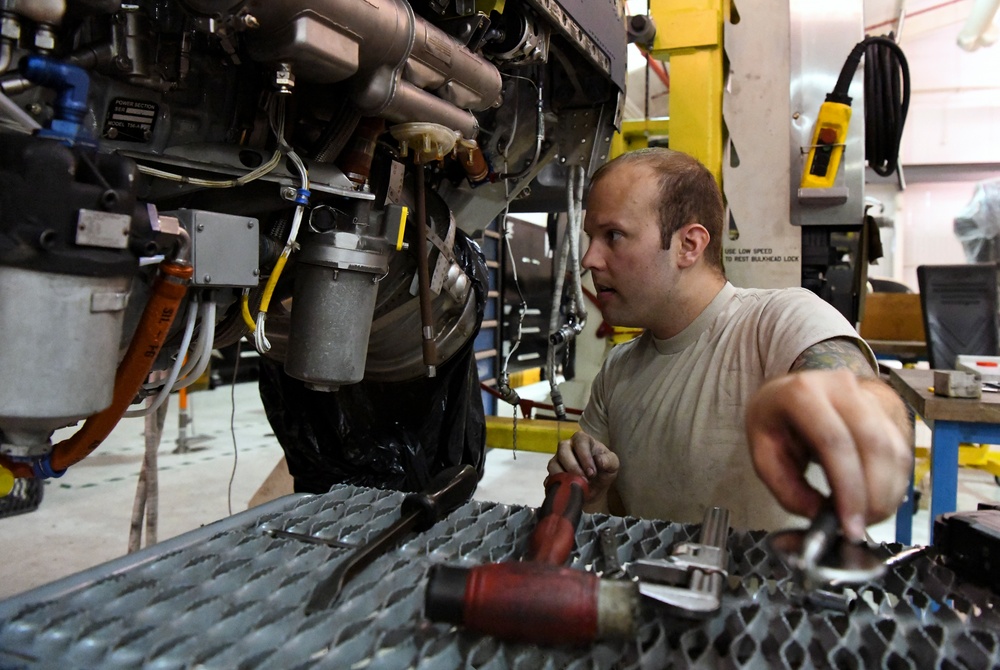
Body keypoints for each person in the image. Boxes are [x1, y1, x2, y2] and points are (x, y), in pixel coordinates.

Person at [547, 147, 912, 540]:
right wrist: (595, 495)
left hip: (785, 593)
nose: (588, 259)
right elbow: (619, 526)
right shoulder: (617, 372)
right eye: (591, 238)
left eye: (613, 236)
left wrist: (864, 411)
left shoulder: (779, 320)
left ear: (689, 245)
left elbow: (855, 389)